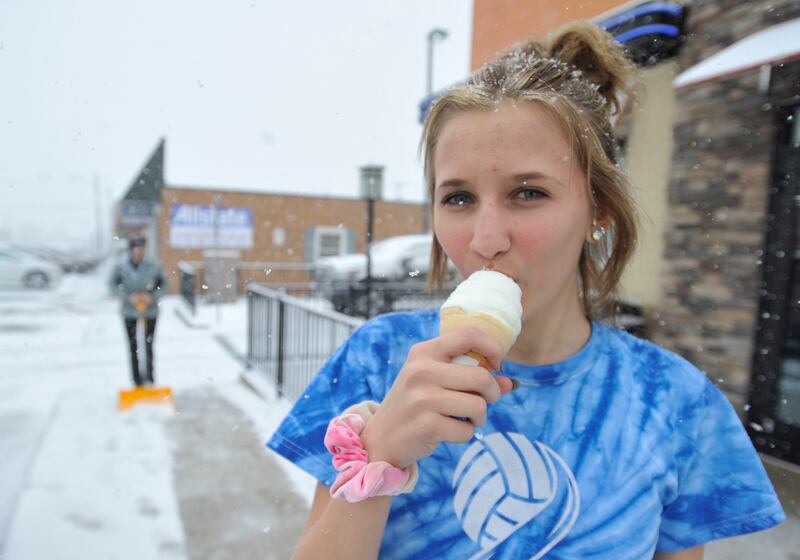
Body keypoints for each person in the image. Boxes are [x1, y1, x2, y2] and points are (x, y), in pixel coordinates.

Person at [267, 21, 785, 560]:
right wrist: (380, 454)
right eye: (459, 198)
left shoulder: (677, 400)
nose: (486, 240)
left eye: (528, 192)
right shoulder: (376, 359)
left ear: (599, 211)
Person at [109, 237, 169, 387]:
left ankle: (150, 378)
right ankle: (137, 381)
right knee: (133, 346)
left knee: (148, 345)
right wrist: (128, 297)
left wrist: (152, 296)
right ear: (130, 251)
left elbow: (164, 284)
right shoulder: (121, 266)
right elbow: (113, 285)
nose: (138, 253)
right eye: (135, 250)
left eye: (140, 250)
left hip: (150, 312)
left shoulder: (153, 265)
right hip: (129, 312)